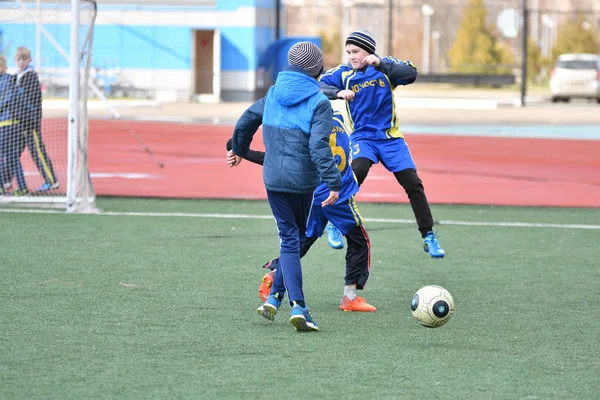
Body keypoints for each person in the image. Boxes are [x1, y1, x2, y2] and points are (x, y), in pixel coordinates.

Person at [227, 41, 341, 332]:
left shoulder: (274, 93)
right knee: (293, 240)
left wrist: (238, 148)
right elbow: (318, 148)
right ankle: (299, 306)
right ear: (317, 70)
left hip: (274, 180)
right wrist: (334, 182)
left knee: (292, 238)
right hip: (303, 182)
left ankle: (274, 298)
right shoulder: (319, 102)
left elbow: (245, 121)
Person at [226, 110, 376, 313]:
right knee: (359, 241)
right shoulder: (338, 117)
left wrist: (239, 149)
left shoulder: (304, 125)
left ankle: (275, 274)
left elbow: (276, 158)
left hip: (313, 194)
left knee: (301, 241)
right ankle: (350, 297)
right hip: (337, 193)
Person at [319, 30, 445, 259]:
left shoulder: (386, 69)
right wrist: (337, 93)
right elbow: (317, 86)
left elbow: (412, 73)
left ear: (369, 51)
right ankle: (335, 222)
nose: (351, 57)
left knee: (414, 184)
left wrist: (382, 64)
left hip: (391, 140)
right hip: (363, 138)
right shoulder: (344, 73)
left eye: (355, 51)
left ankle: (428, 236)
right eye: (348, 52)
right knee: (357, 172)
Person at [12, 47, 59, 192]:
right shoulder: (16, 76)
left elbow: (33, 100)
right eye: (19, 59)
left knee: (37, 151)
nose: (21, 62)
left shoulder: (30, 76)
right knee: (12, 152)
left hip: (29, 122)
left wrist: (29, 115)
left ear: (29, 60)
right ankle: (5, 180)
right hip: (18, 122)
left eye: (24, 59)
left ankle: (51, 180)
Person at [0, 55, 28, 196]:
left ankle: (15, 186)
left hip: (6, 124)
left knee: (8, 157)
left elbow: (8, 100)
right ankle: (19, 186)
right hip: (11, 124)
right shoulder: (12, 79)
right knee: (11, 157)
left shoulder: (8, 81)